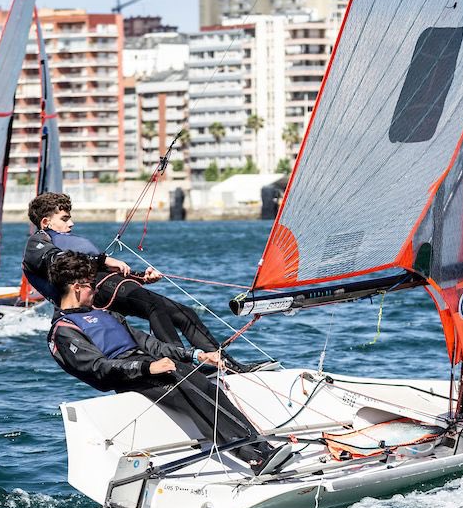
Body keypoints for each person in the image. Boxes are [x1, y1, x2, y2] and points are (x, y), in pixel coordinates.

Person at [47, 252, 276, 472]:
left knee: (209, 388)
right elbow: (99, 368)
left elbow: (151, 344)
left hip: (152, 365)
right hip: (132, 376)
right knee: (192, 393)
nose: (96, 290)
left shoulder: (106, 315)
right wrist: (148, 367)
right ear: (77, 288)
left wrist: (196, 355)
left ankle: (263, 446)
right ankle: (253, 458)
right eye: (91, 285)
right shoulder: (64, 330)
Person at [23, 192, 271, 373]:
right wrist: (105, 259)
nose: (71, 223)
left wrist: (141, 277)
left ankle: (228, 365)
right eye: (65, 219)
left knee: (183, 313)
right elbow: (63, 261)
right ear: (46, 222)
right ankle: (181, 366)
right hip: (94, 294)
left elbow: (96, 268)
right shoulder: (38, 243)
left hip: (108, 285)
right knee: (155, 307)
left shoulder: (66, 242)